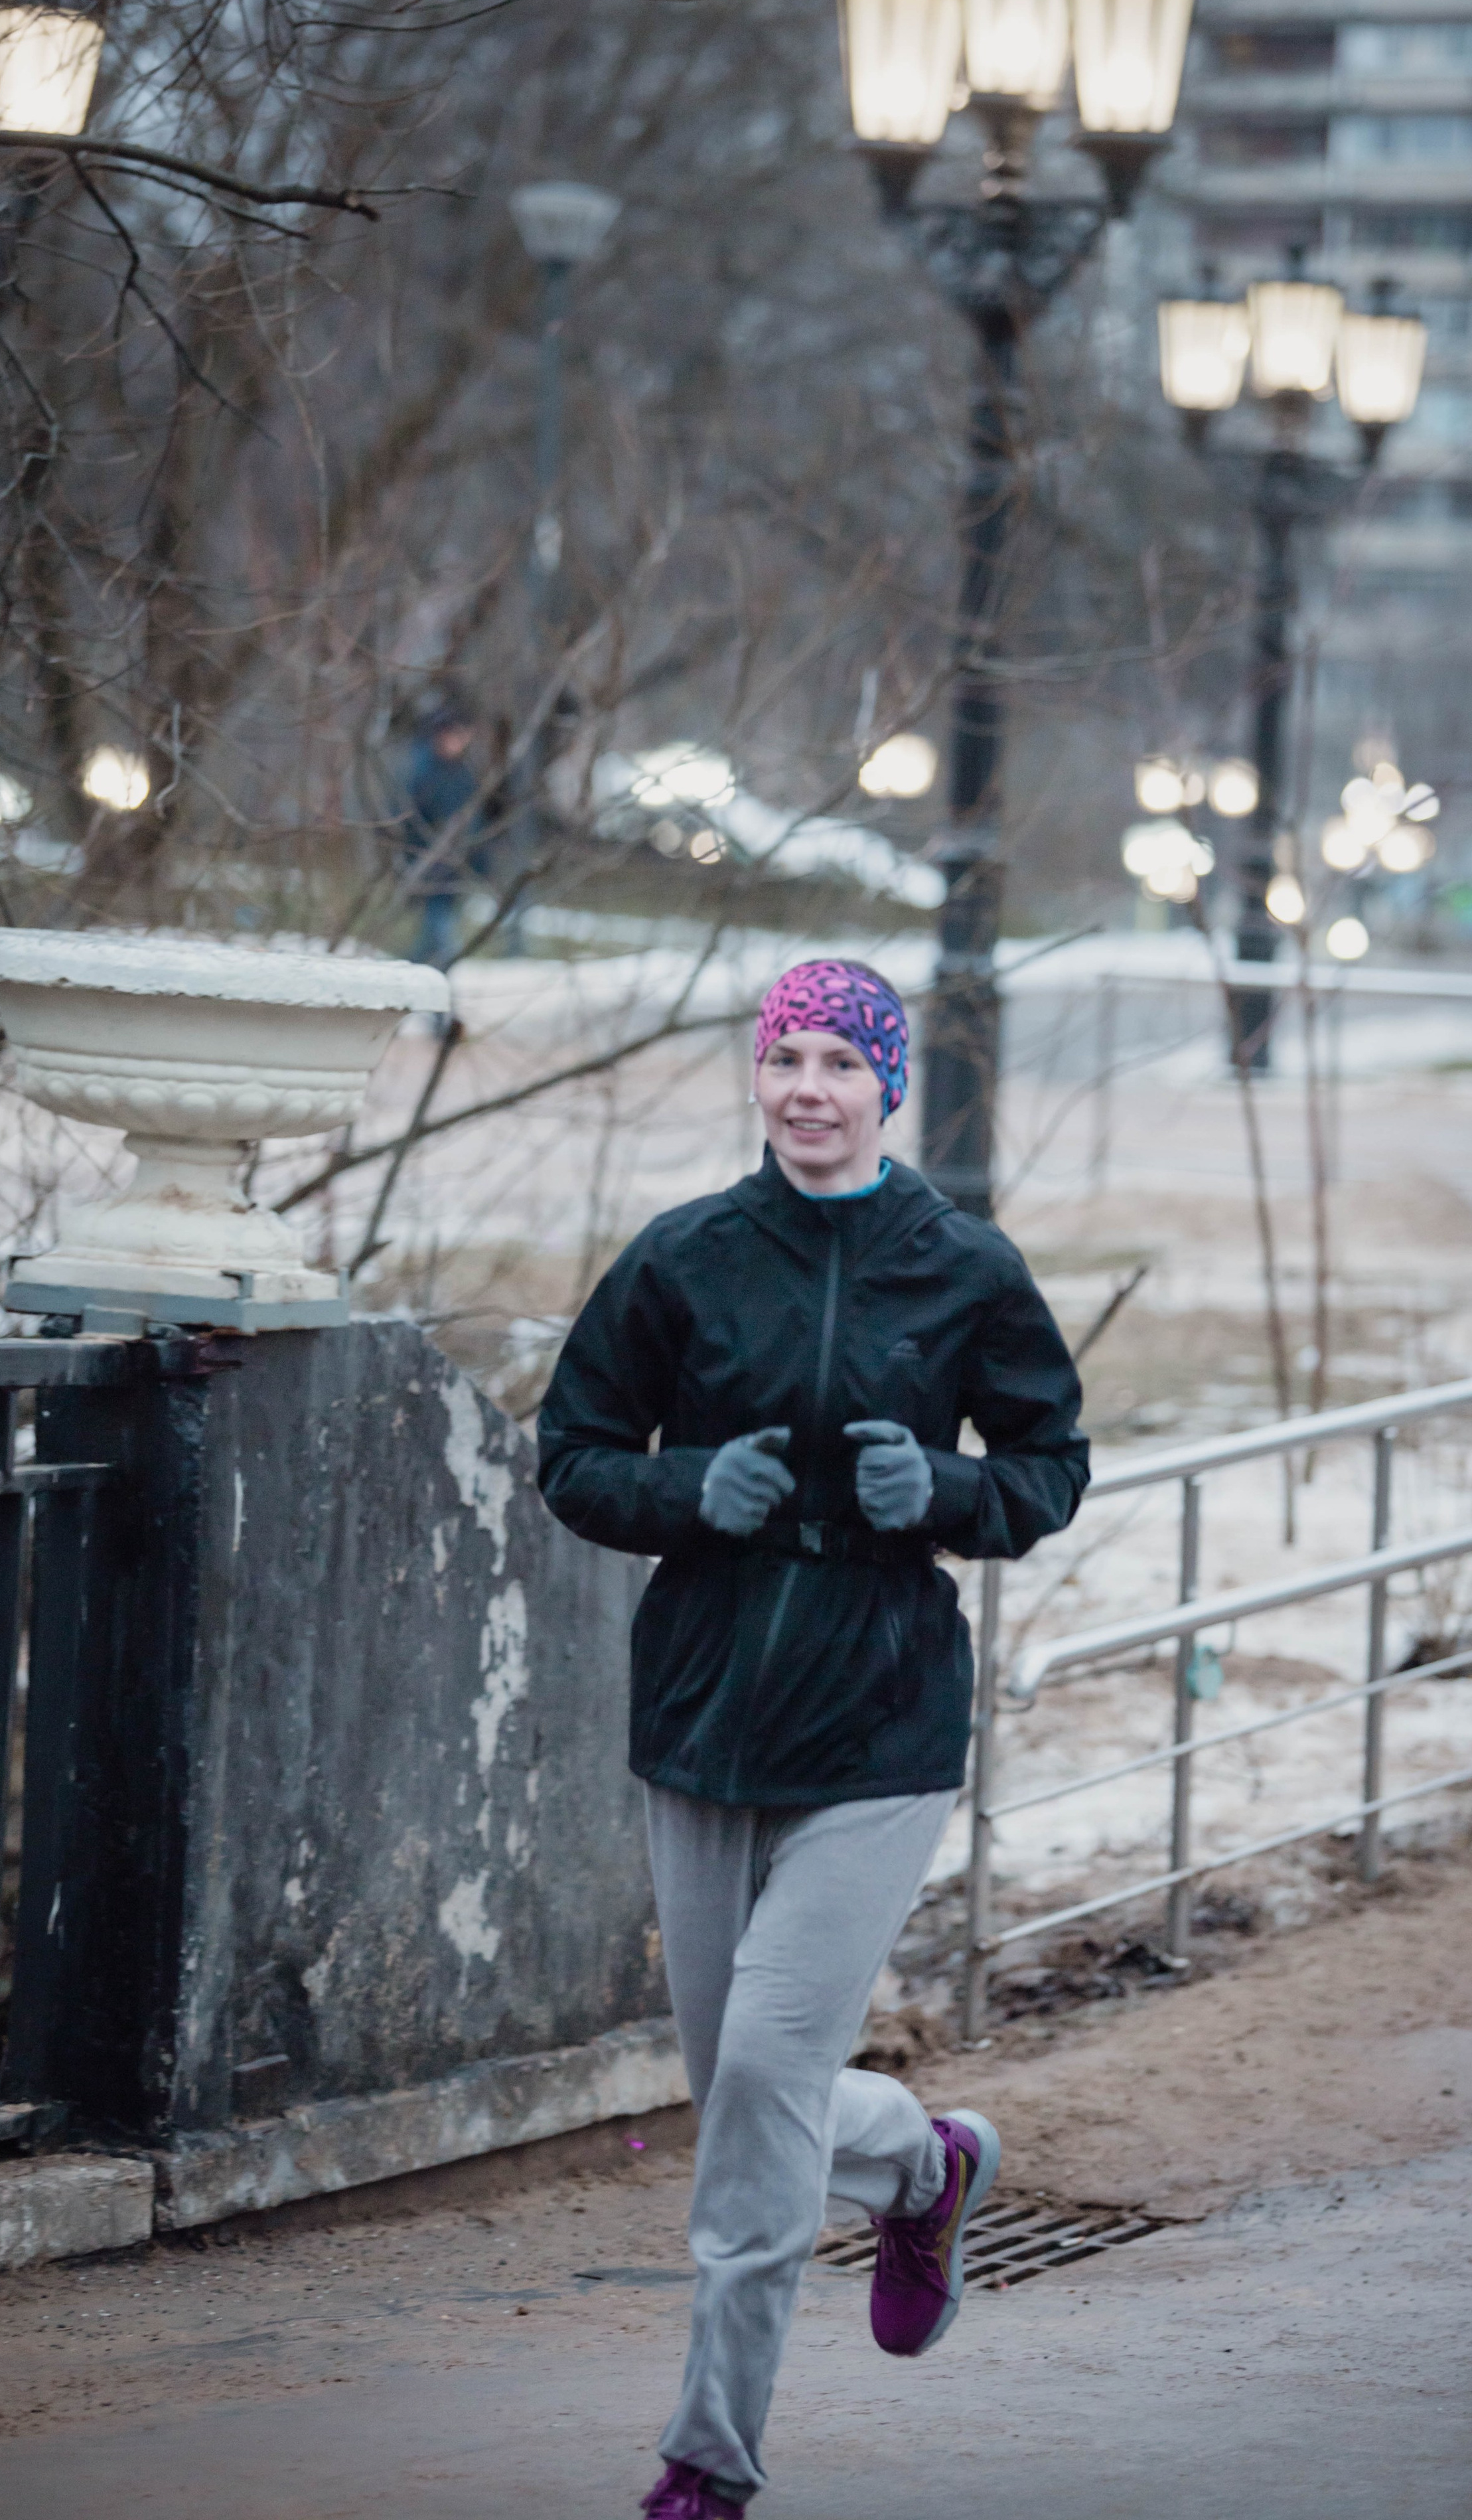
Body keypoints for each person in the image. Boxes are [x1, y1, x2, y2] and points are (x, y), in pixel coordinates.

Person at [537, 957, 1089, 2517]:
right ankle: (924, 2168)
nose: (805, 1086)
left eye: (839, 1060)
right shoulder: (684, 1258)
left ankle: (707, 2457)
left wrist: (955, 1491)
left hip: (878, 1725)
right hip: (704, 1715)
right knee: (744, 2101)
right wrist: (677, 1488)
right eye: (783, 1054)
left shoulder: (962, 1267)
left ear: (884, 1087)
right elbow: (570, 1453)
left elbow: (1050, 1463)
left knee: (766, 2082)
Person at [398, 709, 482, 967]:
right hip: (430, 869)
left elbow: (474, 824)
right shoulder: (423, 773)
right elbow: (409, 823)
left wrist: (478, 865)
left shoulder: (462, 773)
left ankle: (406, 979)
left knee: (429, 943)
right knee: (446, 943)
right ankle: (442, 1004)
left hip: (452, 871)